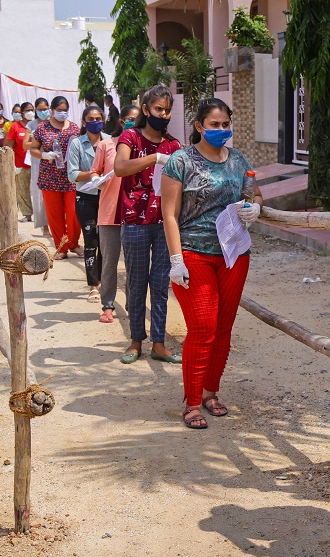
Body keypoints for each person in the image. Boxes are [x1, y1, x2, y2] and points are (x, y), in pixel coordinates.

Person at [161, 98, 261, 428]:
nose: (221, 130)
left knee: (223, 329)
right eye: (214, 124)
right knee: (203, 327)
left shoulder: (239, 160)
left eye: (225, 124)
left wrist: (255, 206)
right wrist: (177, 260)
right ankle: (191, 402)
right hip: (194, 252)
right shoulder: (180, 161)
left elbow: (253, 194)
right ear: (199, 126)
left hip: (233, 254)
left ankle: (210, 392)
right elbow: (170, 215)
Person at [113, 84, 181, 365]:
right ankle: (135, 340)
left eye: (167, 110)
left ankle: (159, 342)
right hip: (134, 220)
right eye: (158, 109)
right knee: (137, 282)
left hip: (165, 223)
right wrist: (153, 158)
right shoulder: (130, 137)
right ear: (145, 110)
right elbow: (119, 168)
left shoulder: (174, 145)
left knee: (161, 282)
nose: (163, 115)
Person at [91, 104, 139, 324]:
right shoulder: (106, 145)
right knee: (109, 261)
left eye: (137, 119)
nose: (133, 122)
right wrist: (95, 180)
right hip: (109, 212)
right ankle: (107, 304)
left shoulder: (143, 147)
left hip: (136, 214)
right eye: (129, 119)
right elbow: (95, 171)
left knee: (134, 263)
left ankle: (133, 304)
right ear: (121, 121)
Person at [28, 96, 82, 259]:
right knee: (55, 214)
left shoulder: (74, 128)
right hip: (49, 177)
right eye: (59, 110)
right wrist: (44, 154)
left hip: (71, 178)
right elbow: (33, 149)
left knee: (74, 213)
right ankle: (61, 247)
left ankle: (74, 243)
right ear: (52, 110)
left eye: (65, 110)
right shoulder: (42, 128)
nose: (62, 113)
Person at [67, 105, 110, 303]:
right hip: (86, 196)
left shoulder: (110, 141)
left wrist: (102, 175)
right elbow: (72, 174)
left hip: (107, 196)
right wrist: (93, 174)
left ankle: (106, 282)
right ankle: (94, 284)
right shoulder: (76, 143)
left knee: (107, 242)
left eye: (98, 118)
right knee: (91, 241)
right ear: (84, 122)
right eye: (91, 119)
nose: (95, 122)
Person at [23, 98, 51, 233]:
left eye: (45, 109)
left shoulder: (53, 122)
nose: (43, 112)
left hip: (53, 161)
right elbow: (25, 144)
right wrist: (39, 143)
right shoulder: (31, 125)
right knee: (40, 194)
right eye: (40, 109)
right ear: (35, 110)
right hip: (38, 161)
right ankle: (44, 224)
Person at [3, 101, 34, 221]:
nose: (30, 112)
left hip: (38, 163)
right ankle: (27, 214)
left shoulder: (38, 125)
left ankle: (42, 215)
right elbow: (8, 144)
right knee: (22, 189)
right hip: (21, 163)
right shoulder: (15, 126)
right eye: (27, 110)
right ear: (22, 112)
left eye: (32, 109)